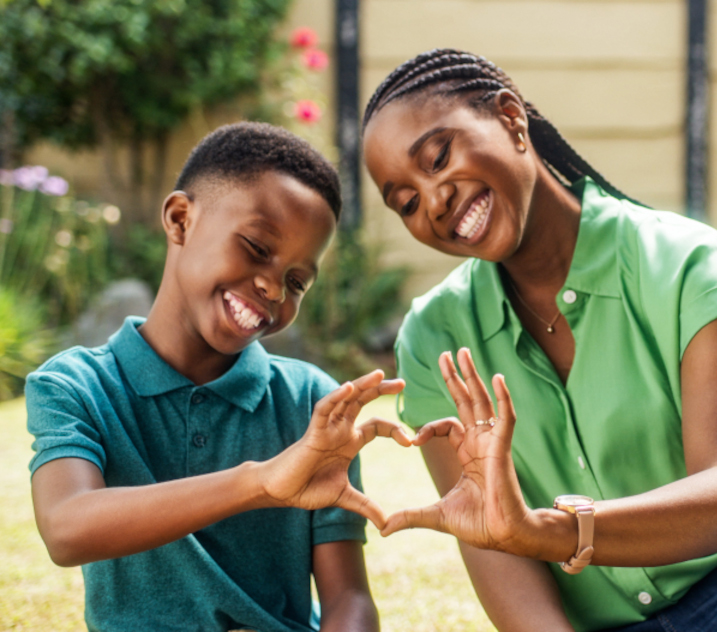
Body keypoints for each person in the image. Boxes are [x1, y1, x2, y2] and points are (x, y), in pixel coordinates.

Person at [360, 50, 717, 632]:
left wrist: (558, 531)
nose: (434, 201)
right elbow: (490, 539)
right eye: (406, 201)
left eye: (438, 158)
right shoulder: (435, 335)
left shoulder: (684, 263)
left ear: (512, 120)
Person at [25, 122, 424, 632]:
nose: (274, 289)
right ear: (180, 220)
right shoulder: (75, 386)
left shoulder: (310, 402)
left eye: (297, 281)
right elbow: (67, 527)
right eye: (258, 248)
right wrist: (260, 482)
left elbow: (349, 598)